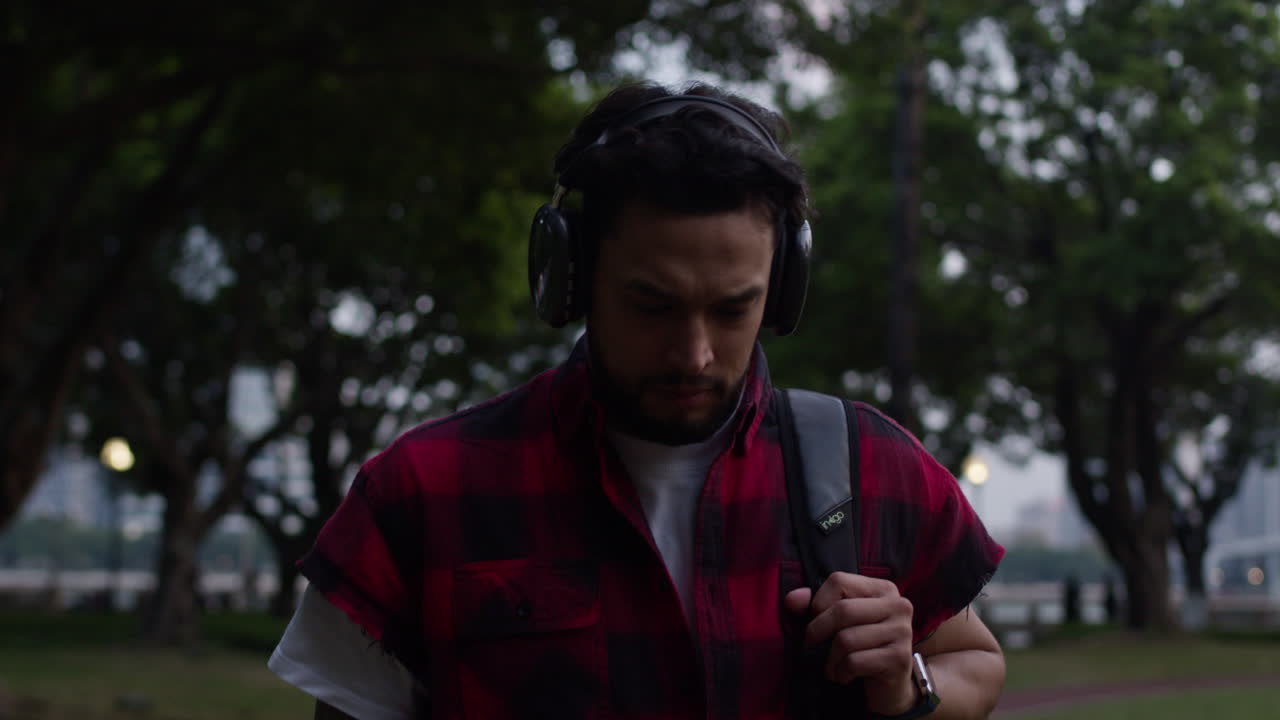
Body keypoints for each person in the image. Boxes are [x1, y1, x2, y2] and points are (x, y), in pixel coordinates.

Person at [269, 81, 1006, 720]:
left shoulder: (872, 466)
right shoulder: (419, 493)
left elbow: (977, 661)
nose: (694, 353)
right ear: (572, 277)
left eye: (731, 309)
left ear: (780, 291)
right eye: (651, 306)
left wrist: (909, 685)